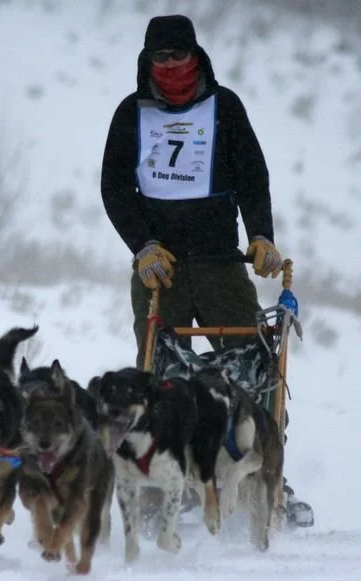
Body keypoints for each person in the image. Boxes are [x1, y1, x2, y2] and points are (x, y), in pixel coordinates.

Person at [100, 14, 313, 529]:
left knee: (253, 366)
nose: (170, 65)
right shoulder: (132, 113)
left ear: (196, 54)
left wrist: (260, 233)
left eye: (178, 55)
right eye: (161, 57)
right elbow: (114, 189)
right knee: (155, 377)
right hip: (161, 269)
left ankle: (267, 475)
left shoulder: (226, 107)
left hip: (220, 261)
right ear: (148, 59)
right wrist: (142, 246)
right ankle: (158, 482)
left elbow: (252, 177)